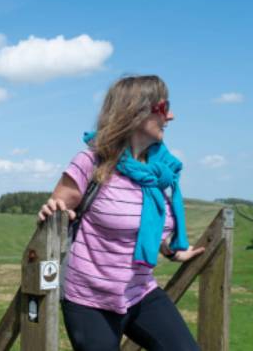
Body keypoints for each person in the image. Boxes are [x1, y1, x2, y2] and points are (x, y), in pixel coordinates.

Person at [37, 75, 205, 351]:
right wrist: (51, 212)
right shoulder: (91, 162)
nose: (171, 116)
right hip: (89, 299)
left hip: (139, 292)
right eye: (164, 108)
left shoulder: (159, 170)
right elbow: (54, 216)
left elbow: (145, 227)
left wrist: (173, 250)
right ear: (136, 111)